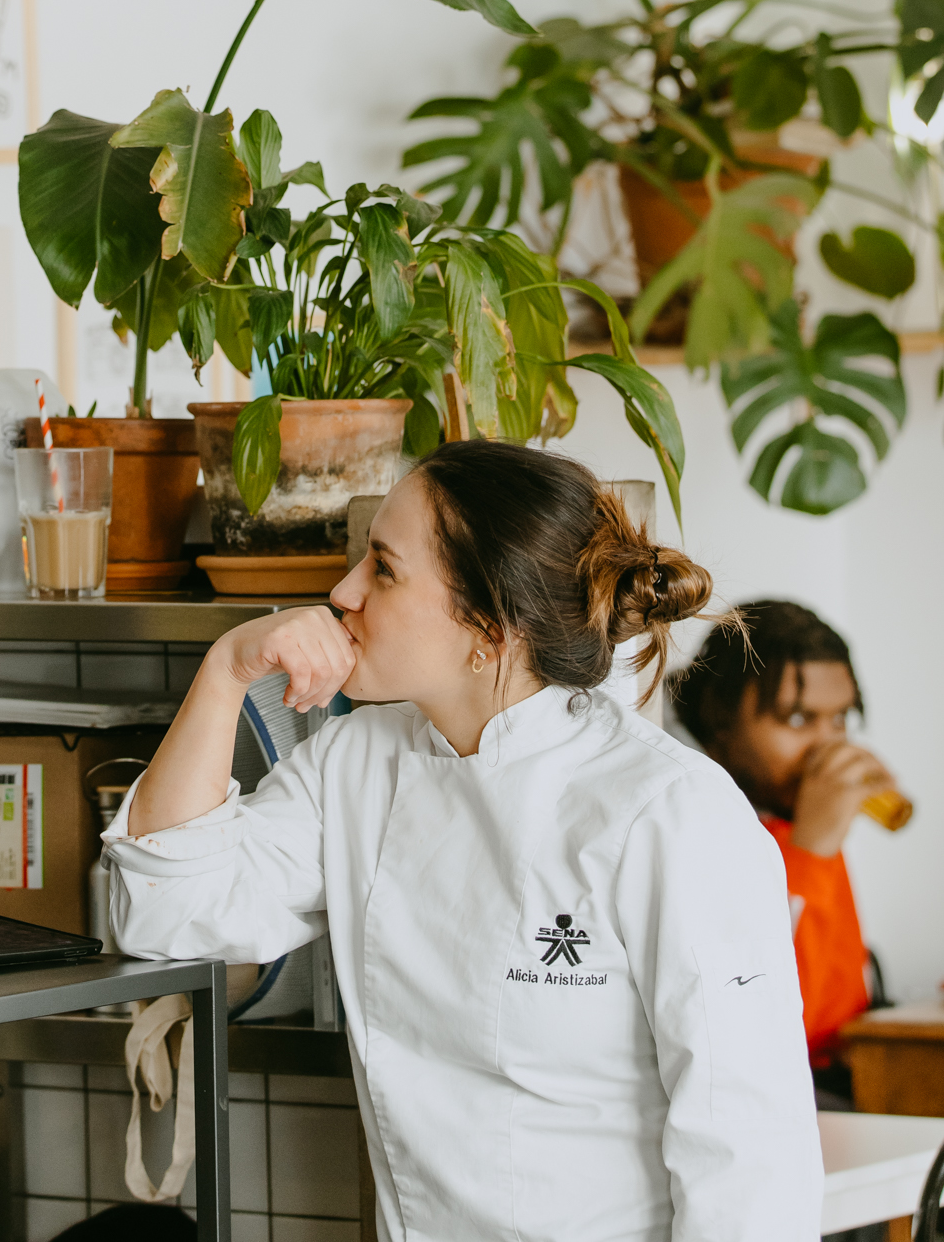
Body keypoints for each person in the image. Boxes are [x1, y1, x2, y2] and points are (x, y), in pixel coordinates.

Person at [105, 441, 820, 1242]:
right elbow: (165, 914)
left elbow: (749, 1159)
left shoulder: (670, 812)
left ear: (490, 622)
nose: (341, 593)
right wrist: (225, 671)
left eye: (382, 568)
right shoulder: (356, 763)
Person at [672, 601, 899, 1094]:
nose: (828, 748)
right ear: (719, 717)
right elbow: (763, 1027)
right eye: (798, 719)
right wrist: (811, 849)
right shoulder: (684, 819)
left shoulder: (787, 813)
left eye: (839, 720)